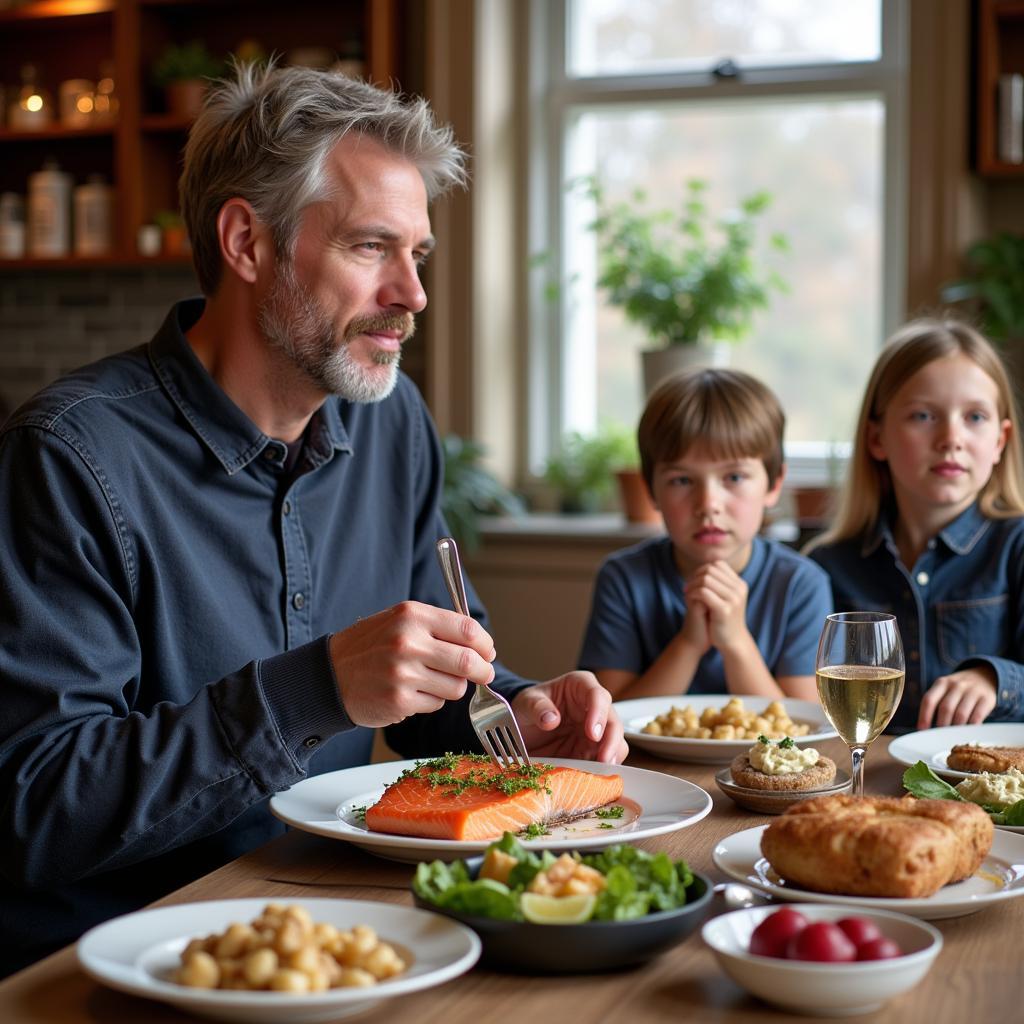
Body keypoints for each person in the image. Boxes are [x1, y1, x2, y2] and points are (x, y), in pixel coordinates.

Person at [0, 63, 625, 979]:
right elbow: (34, 809)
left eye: (419, 254)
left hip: (333, 938)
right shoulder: (67, 458)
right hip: (105, 973)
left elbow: (420, 694)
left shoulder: (392, 420)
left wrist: (512, 713)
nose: (412, 294)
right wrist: (308, 691)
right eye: (374, 248)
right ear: (248, 242)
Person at [806, 317, 1024, 732]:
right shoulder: (827, 565)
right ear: (877, 439)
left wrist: (995, 680)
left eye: (975, 417)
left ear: (1000, 441)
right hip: (867, 787)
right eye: (923, 416)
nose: (951, 438)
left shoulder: (1016, 546)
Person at [579, 368, 832, 701]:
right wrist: (689, 643)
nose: (708, 504)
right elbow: (608, 714)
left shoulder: (801, 583)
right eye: (682, 480)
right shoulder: (624, 579)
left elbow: (801, 726)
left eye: (735, 478)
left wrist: (735, 640)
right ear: (651, 490)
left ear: (774, 484)